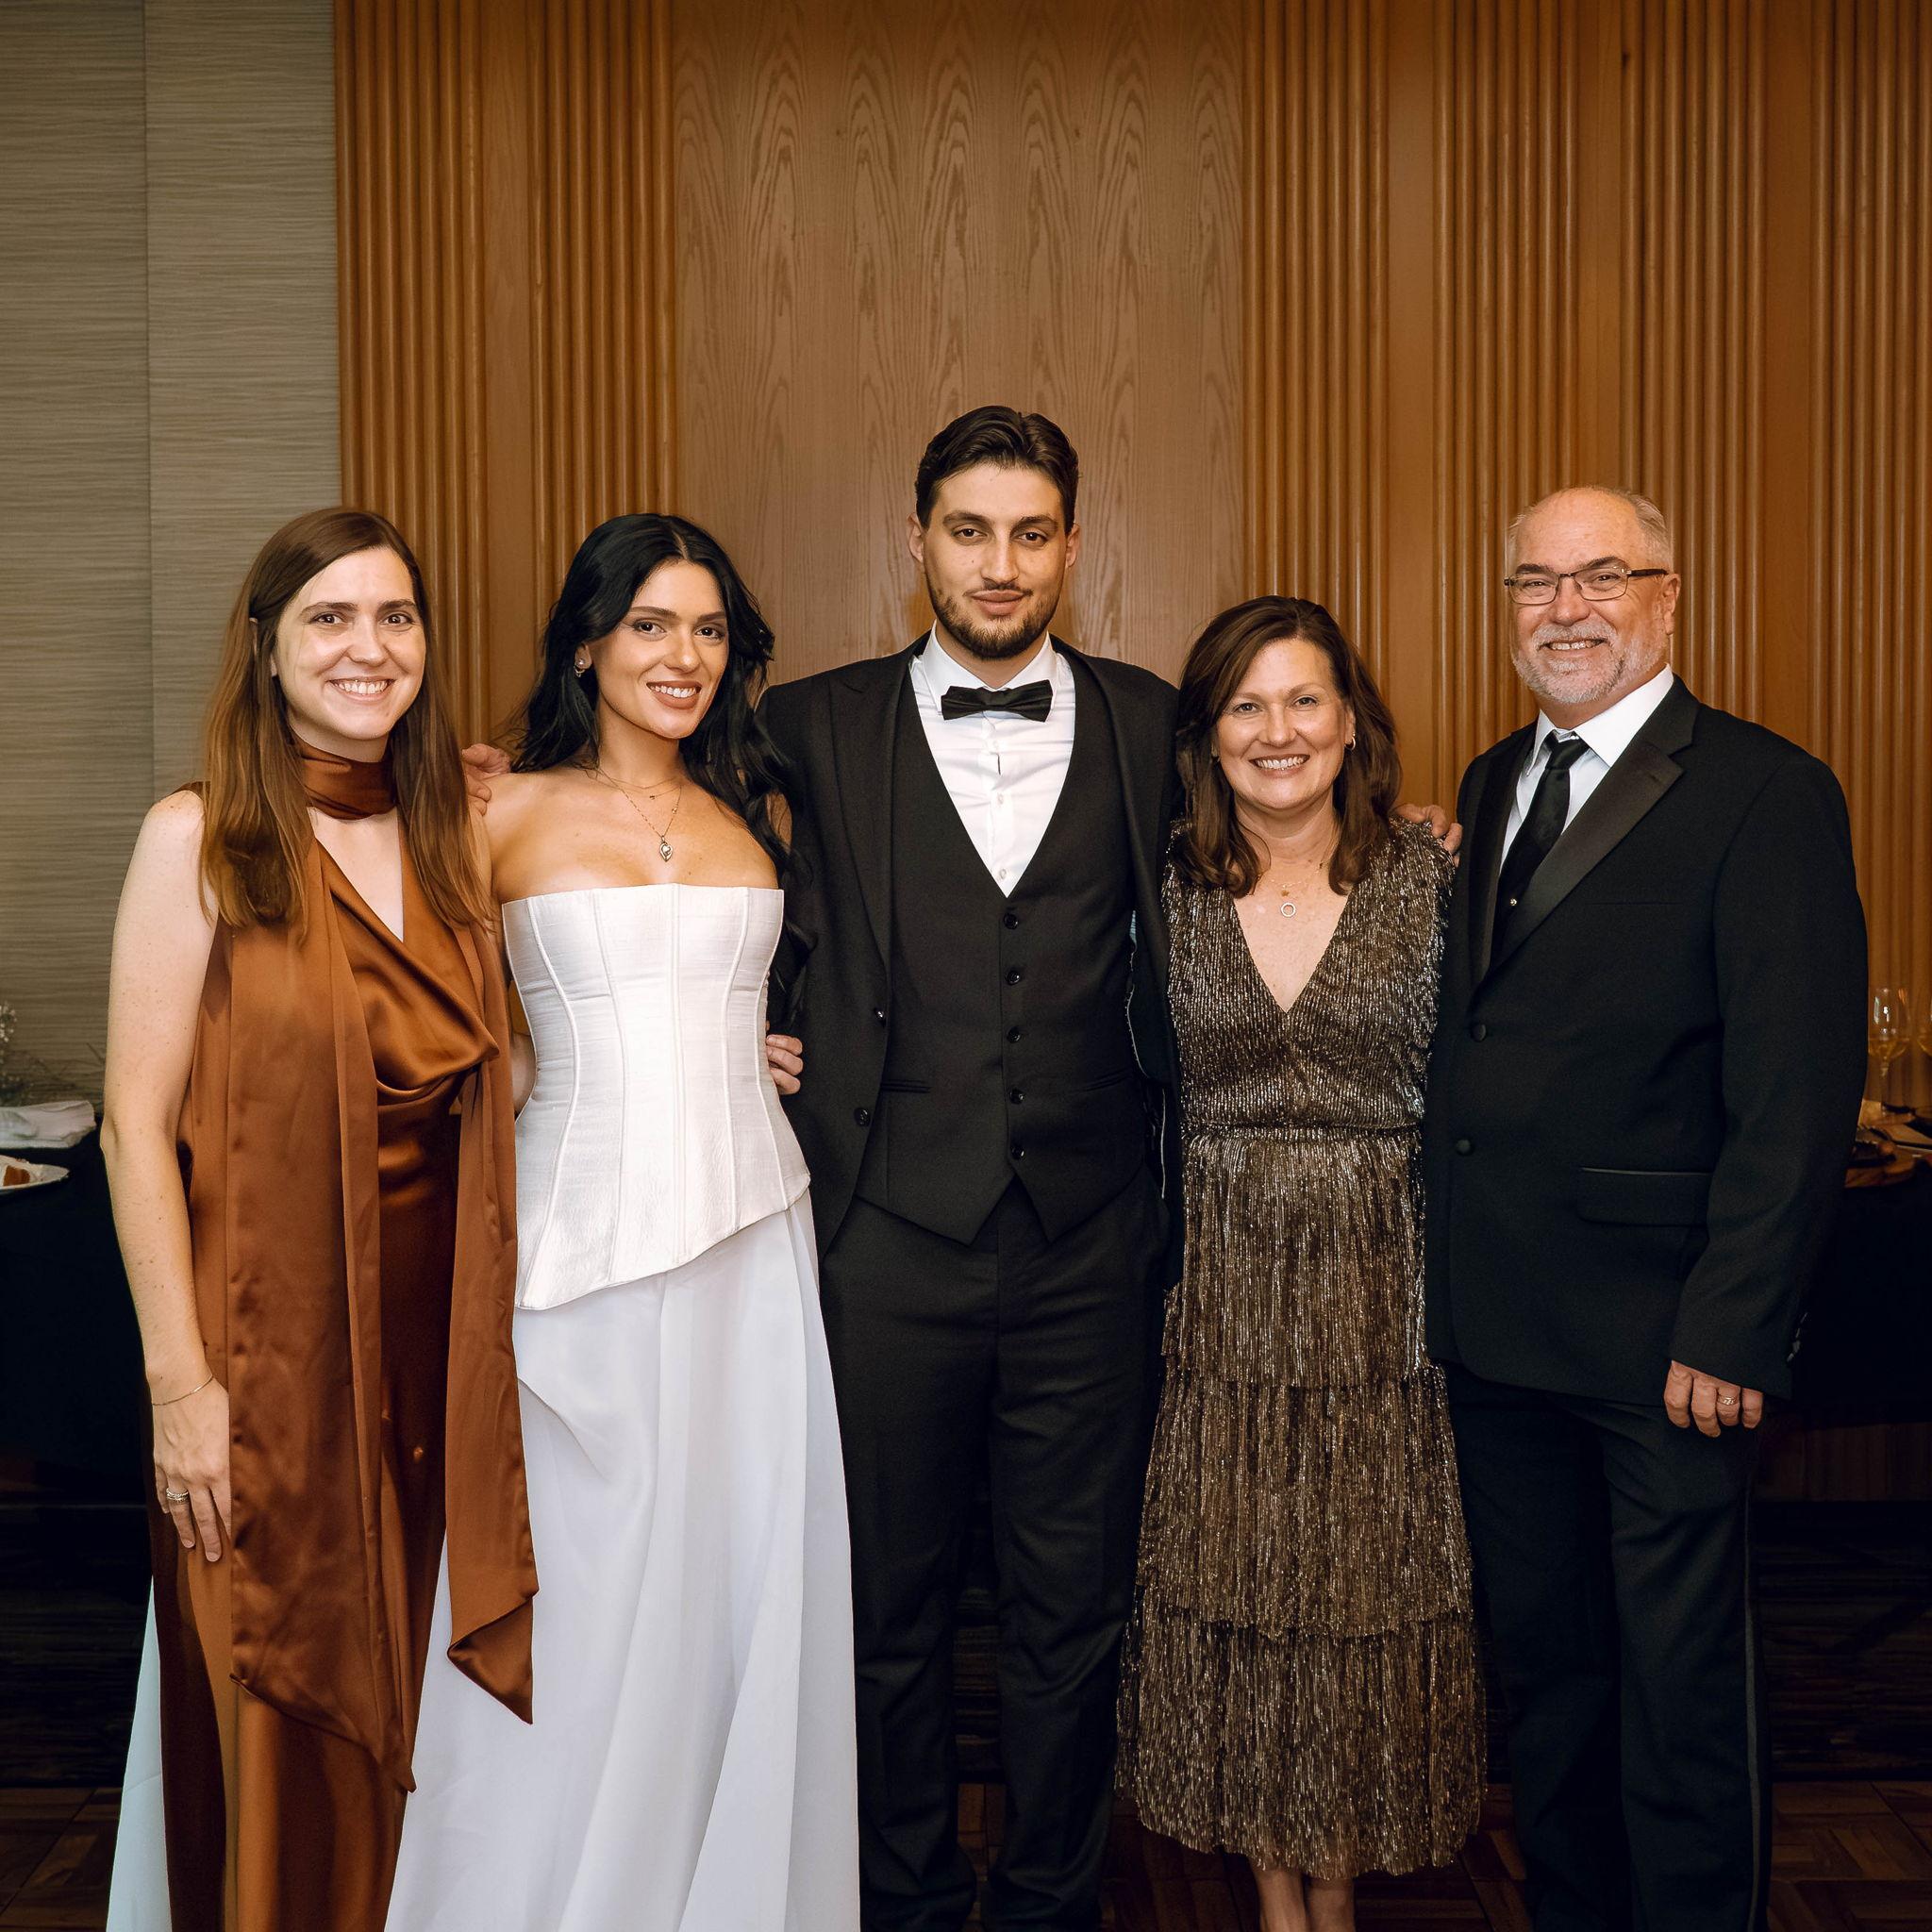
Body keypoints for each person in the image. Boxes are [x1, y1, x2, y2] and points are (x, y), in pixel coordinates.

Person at [389, 512, 858, 1930]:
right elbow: (455, 1045)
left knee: (729, 1585)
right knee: (577, 1584)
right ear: (587, 643)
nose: (683, 655)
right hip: (567, 1248)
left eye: (709, 629)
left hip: (754, 1243)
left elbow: (762, 996)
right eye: (651, 624)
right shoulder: (493, 812)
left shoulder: (759, 815)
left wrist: (753, 1048)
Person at [759, 406, 1185, 1930]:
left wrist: (1413, 841)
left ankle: (1055, 1900)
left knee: (1077, 1610)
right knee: (886, 1606)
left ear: (1073, 546)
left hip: (1092, 1239)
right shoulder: (805, 724)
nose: (999, 565)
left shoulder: (1154, 722)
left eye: (1030, 533)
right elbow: (651, 844)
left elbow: (1283, 830)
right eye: (968, 531)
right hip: (883, 1235)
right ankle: (906, 1898)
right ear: (917, 539)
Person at [1424, 486, 1867, 1929]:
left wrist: (1735, 1327)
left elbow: (1797, 1090)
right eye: (1536, 582)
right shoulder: (1489, 781)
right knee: (1552, 1689)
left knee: (1682, 1699)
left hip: (1668, 1344)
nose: (1567, 609)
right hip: (1499, 1335)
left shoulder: (1765, 792)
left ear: (1669, 598)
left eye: (1603, 576)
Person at [101, 509, 537, 1932]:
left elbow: (516, 1071)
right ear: (268, 645)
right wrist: (181, 1388)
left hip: (433, 1364)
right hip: (263, 1368)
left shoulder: (453, 836)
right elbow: (134, 1128)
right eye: (330, 618)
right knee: (279, 1712)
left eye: (396, 616)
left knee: (414, 1727)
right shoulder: (200, 837)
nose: (369, 647)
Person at [1116, 597, 1485, 1932]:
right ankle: (1281, 1905)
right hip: (1217, 1302)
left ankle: (1340, 1893)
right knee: (1242, 1586)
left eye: (1305, 700)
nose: (1279, 732)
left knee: (1363, 1593)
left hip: (1388, 1302)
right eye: (1246, 705)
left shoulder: (1435, 877)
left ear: (1351, 720)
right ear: (1208, 736)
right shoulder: (1157, 887)